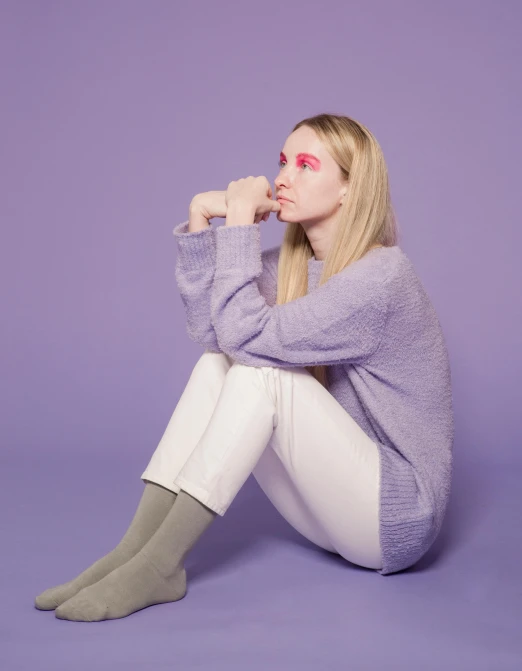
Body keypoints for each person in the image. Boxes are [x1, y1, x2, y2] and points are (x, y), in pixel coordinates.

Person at [34, 113, 453, 622]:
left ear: (349, 188)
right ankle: (135, 553)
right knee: (219, 366)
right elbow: (214, 334)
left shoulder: (382, 278)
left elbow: (248, 338)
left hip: (394, 520)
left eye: (305, 165)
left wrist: (237, 225)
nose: (283, 177)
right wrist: (198, 220)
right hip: (334, 517)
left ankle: (161, 566)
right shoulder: (298, 265)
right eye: (282, 161)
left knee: (262, 372)